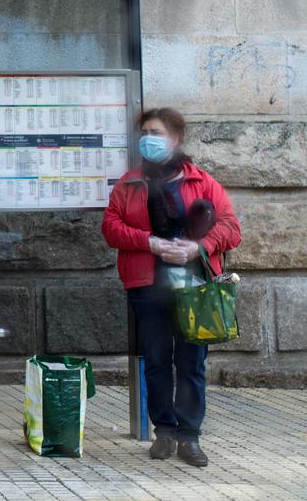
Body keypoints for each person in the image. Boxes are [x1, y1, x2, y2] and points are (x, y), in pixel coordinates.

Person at [102, 107, 241, 468]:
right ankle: (164, 431)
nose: (148, 138)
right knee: (158, 361)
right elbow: (111, 228)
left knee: (192, 362)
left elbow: (231, 228)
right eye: (144, 132)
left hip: (193, 287)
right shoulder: (130, 183)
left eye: (157, 132)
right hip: (148, 286)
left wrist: (200, 247)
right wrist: (148, 242)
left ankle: (189, 437)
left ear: (176, 139)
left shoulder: (201, 181)